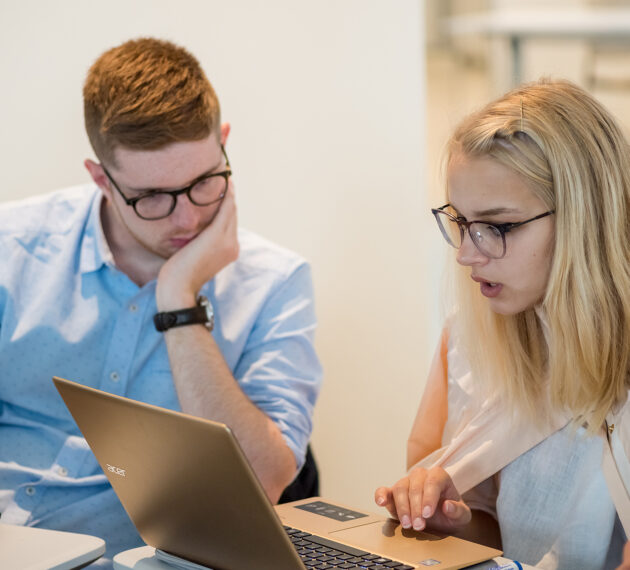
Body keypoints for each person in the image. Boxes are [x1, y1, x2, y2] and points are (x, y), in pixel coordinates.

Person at [0, 37, 322, 567]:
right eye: (152, 197)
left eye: (204, 183)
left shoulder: (274, 282)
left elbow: (266, 479)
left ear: (223, 143)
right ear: (101, 178)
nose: (186, 220)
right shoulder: (15, 250)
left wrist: (179, 303)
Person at [374, 78, 630, 569]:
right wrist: (455, 523)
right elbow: (497, 536)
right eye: (461, 222)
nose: (468, 254)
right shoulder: (475, 336)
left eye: (497, 227)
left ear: (584, 216)